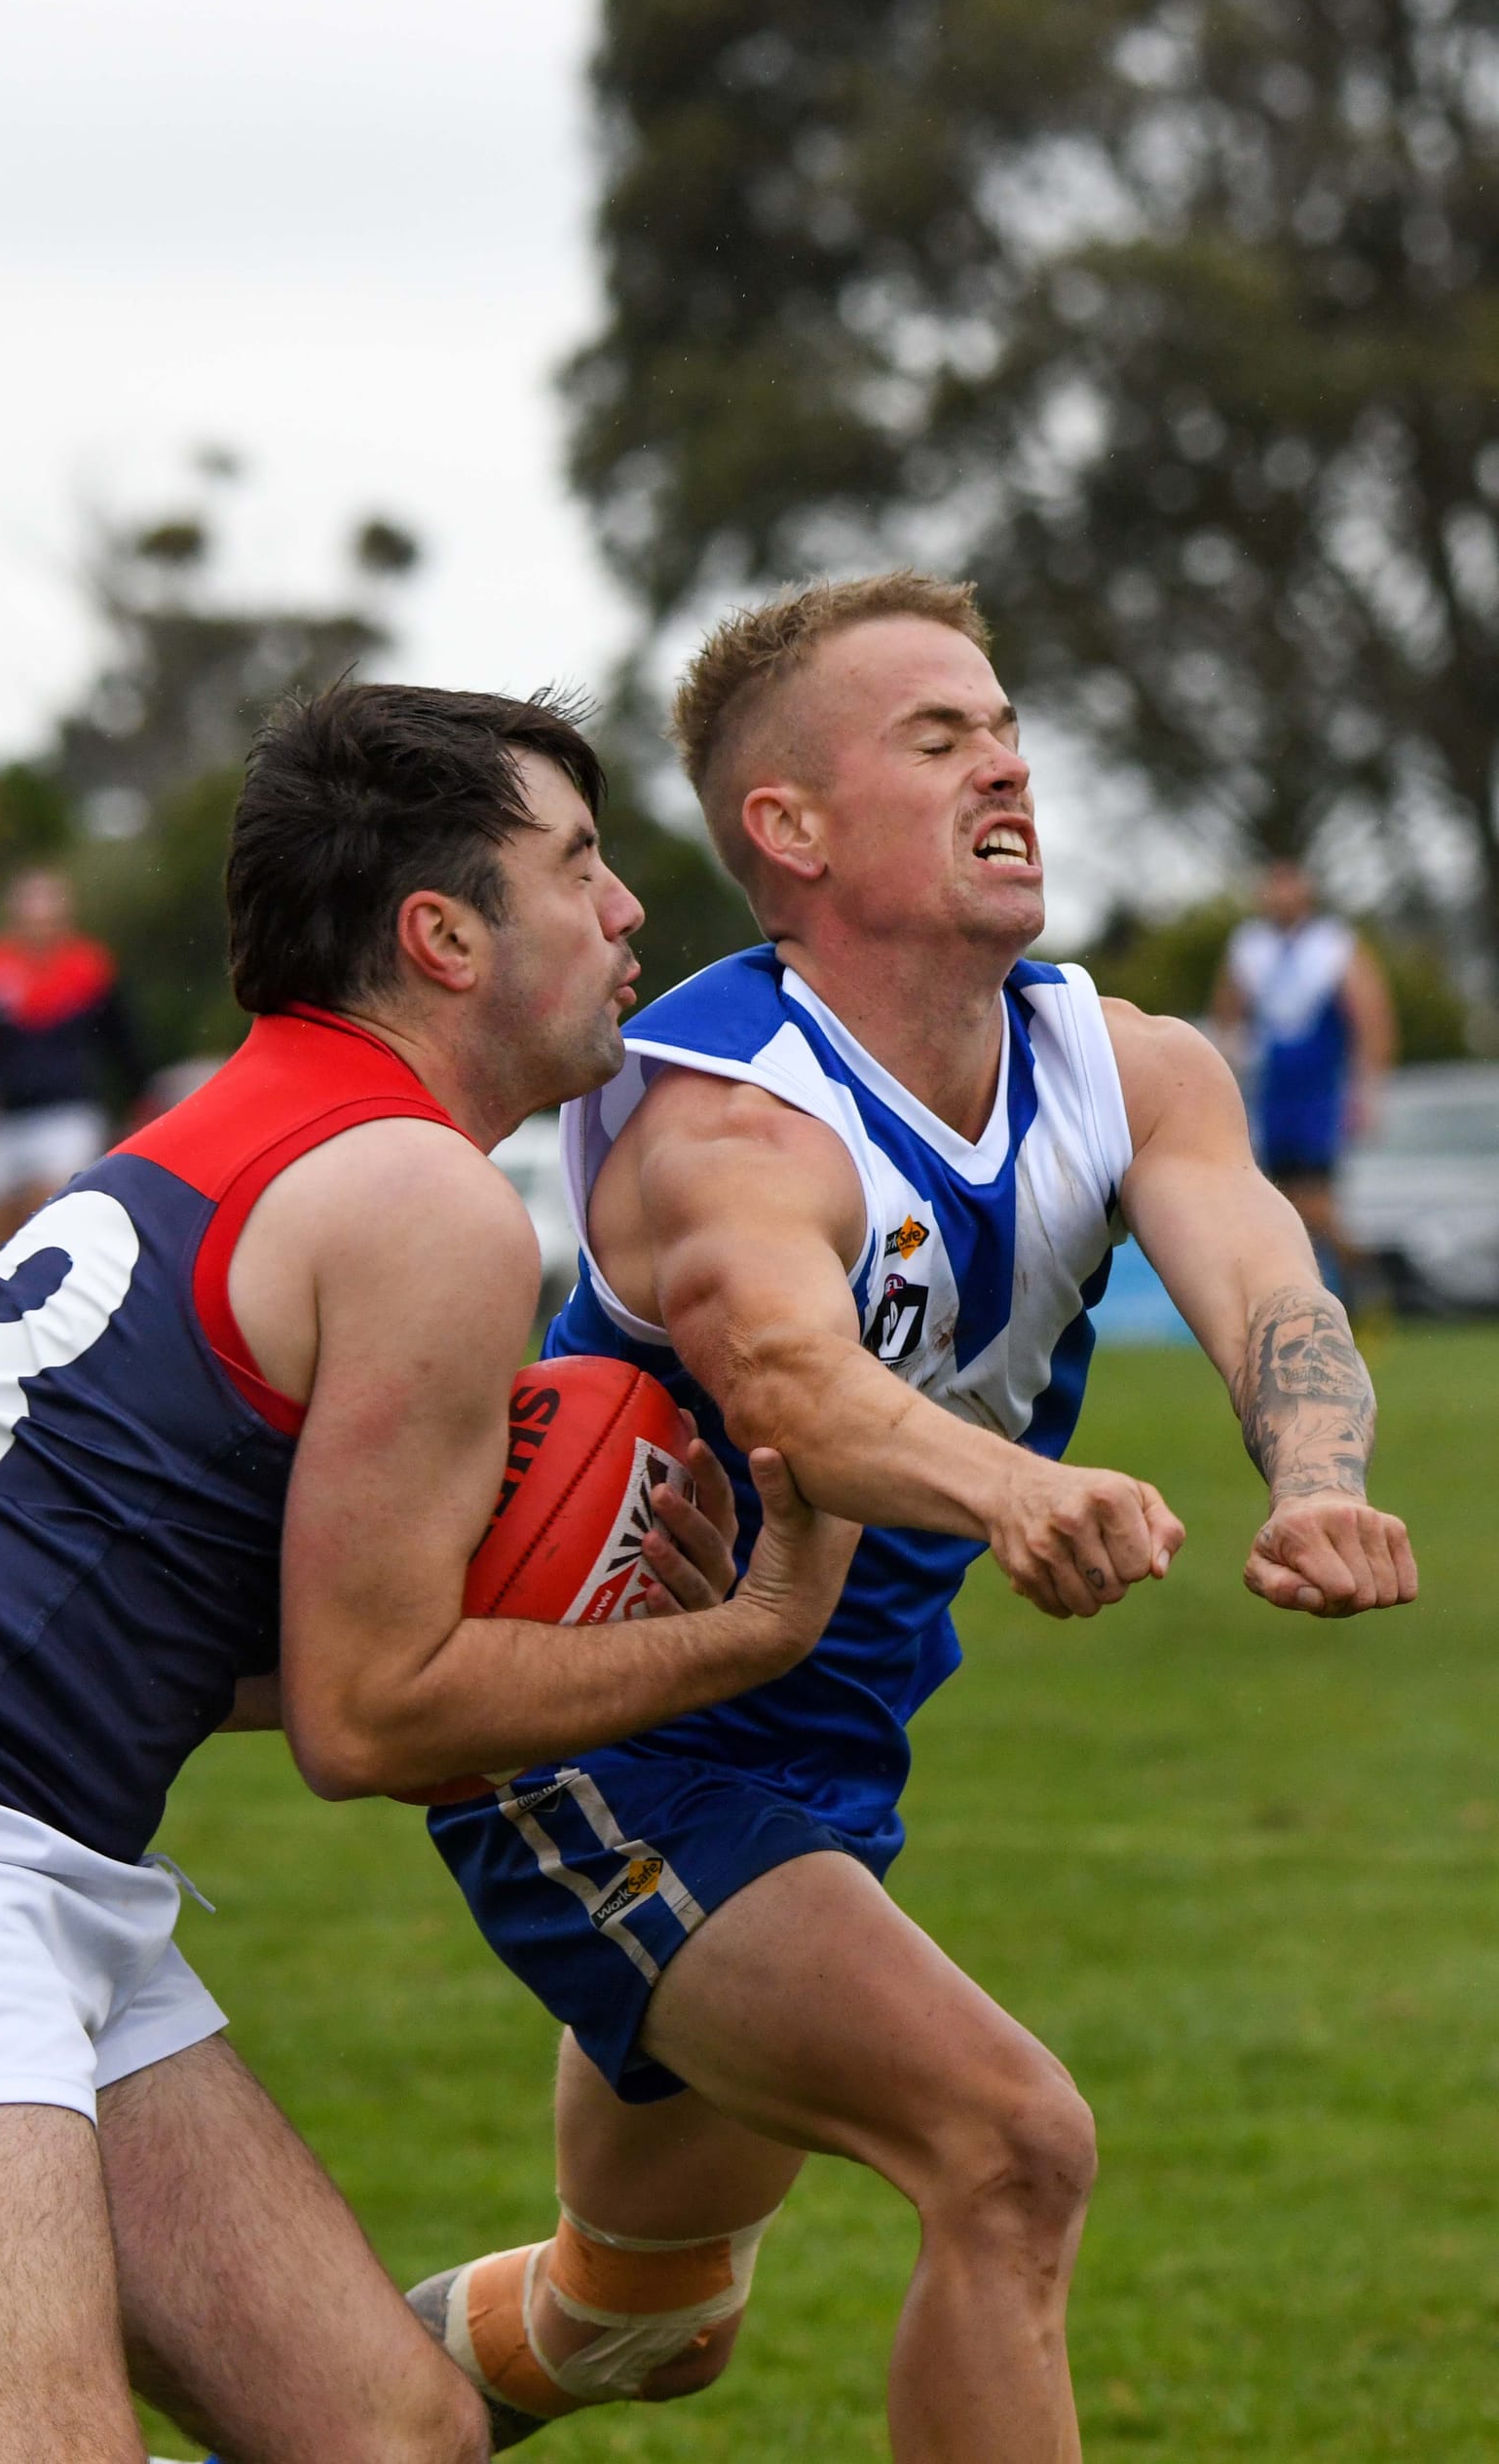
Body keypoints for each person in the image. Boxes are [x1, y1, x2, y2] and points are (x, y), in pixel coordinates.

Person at [0, 684, 847, 2464]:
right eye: (577, 862)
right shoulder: (420, 1199)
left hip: (4, 1829)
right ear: (442, 935)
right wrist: (753, 1632)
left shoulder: (283, 1129)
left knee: (390, 2434)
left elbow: (267, 1647)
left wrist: (562, 1632)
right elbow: (371, 1715)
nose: (630, 904)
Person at [410, 579, 1417, 2463]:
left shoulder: (1131, 1065)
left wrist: (1321, 1483)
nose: (1006, 765)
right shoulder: (727, 1119)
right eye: (936, 739)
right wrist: (1021, 1486)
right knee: (1012, 2148)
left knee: (639, 2320)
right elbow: (799, 1395)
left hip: (826, 1751)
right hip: (611, 1742)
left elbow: (1275, 1293)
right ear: (788, 830)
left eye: (1007, 726)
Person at [0, 868, 150, 1272]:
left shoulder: (90, 969)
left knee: (47, 1205)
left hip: (66, 1111)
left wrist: (139, 1100)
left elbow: (122, 1043)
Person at [1213, 859, 1396, 1298]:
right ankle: (1310, 1290)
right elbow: (1228, 1016)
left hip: (1319, 1090)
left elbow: (1371, 1018)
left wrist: (1368, 1089)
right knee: (1279, 1199)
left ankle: (1367, 1273)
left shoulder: (1333, 945)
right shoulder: (1250, 947)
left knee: (1316, 1199)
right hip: (1273, 1092)